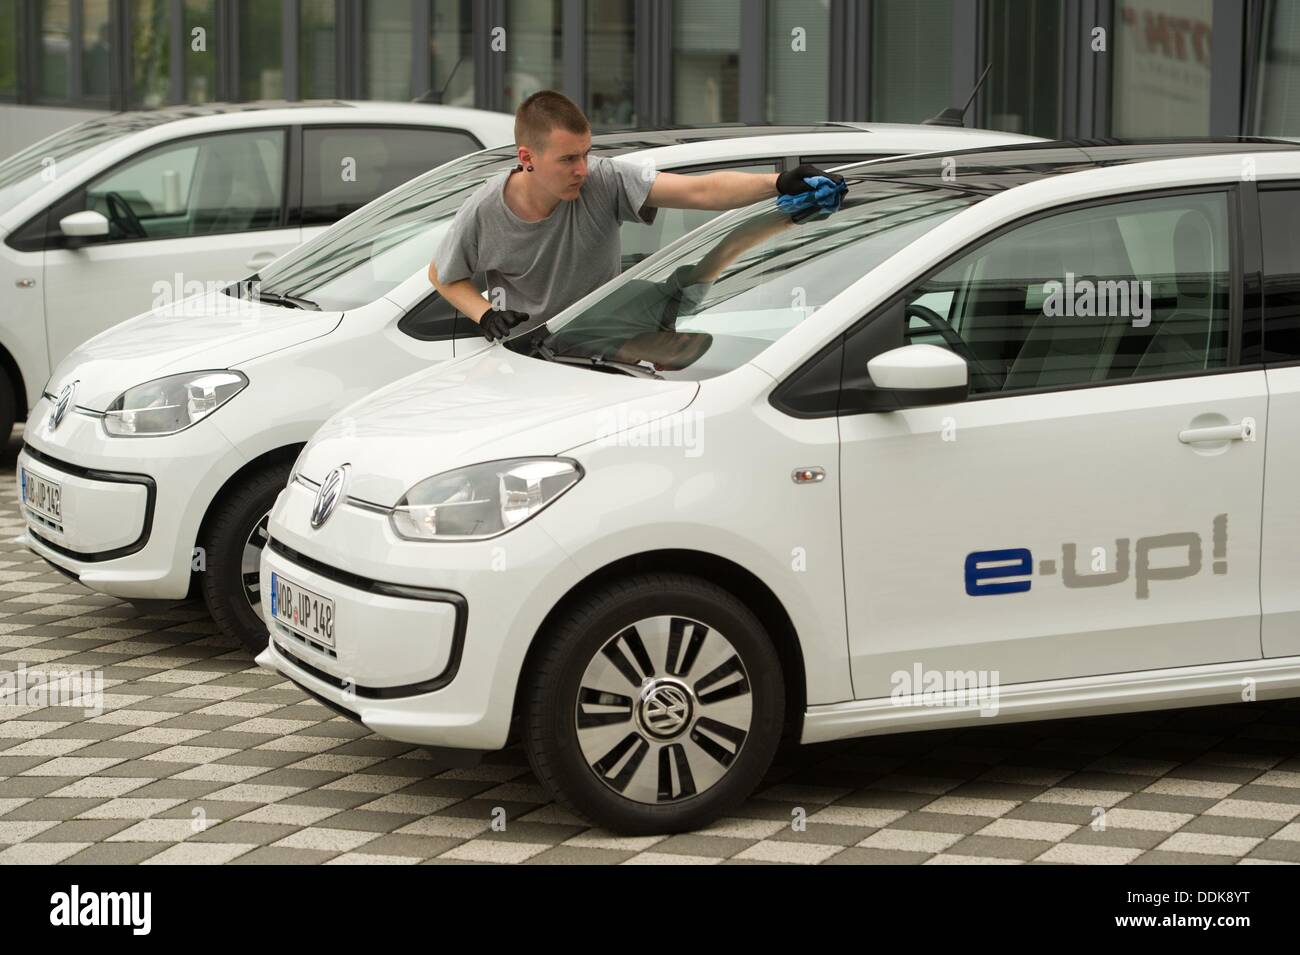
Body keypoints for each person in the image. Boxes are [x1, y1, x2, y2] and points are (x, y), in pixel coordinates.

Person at [428, 89, 844, 342]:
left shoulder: (603, 180)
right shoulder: (486, 208)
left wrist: (779, 182)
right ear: (527, 158)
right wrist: (485, 315)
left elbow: (699, 190)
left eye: (586, 154)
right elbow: (442, 274)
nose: (582, 169)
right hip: (530, 358)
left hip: (601, 345)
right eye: (569, 159)